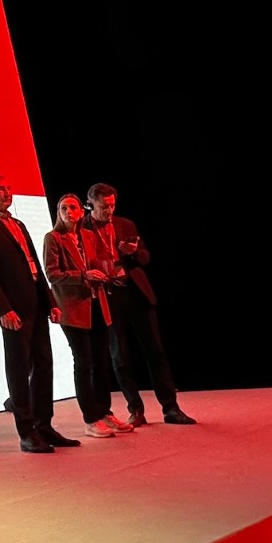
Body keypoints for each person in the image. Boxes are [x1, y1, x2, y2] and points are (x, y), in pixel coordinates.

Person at [0, 176, 73, 452]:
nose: (7, 193)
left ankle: (44, 426)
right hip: (13, 310)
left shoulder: (18, 224)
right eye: (0, 189)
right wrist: (3, 309)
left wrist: (49, 301)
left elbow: (35, 266)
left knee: (44, 367)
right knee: (18, 371)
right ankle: (26, 433)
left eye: (9, 188)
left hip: (36, 305)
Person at [81, 183, 195, 426]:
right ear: (91, 204)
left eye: (112, 205)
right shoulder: (82, 228)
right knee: (119, 355)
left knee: (155, 351)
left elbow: (145, 257)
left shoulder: (125, 224)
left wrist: (133, 252)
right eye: (104, 206)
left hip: (135, 292)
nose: (109, 210)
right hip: (108, 295)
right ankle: (136, 410)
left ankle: (171, 408)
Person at [43, 194, 131, 440]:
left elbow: (98, 262)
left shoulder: (88, 236)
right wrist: (83, 276)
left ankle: (104, 412)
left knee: (102, 361)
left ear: (81, 212)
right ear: (58, 212)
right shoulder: (53, 238)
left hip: (96, 304)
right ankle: (90, 418)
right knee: (84, 362)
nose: (68, 211)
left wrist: (106, 272)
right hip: (73, 308)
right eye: (63, 208)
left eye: (73, 207)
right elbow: (52, 273)